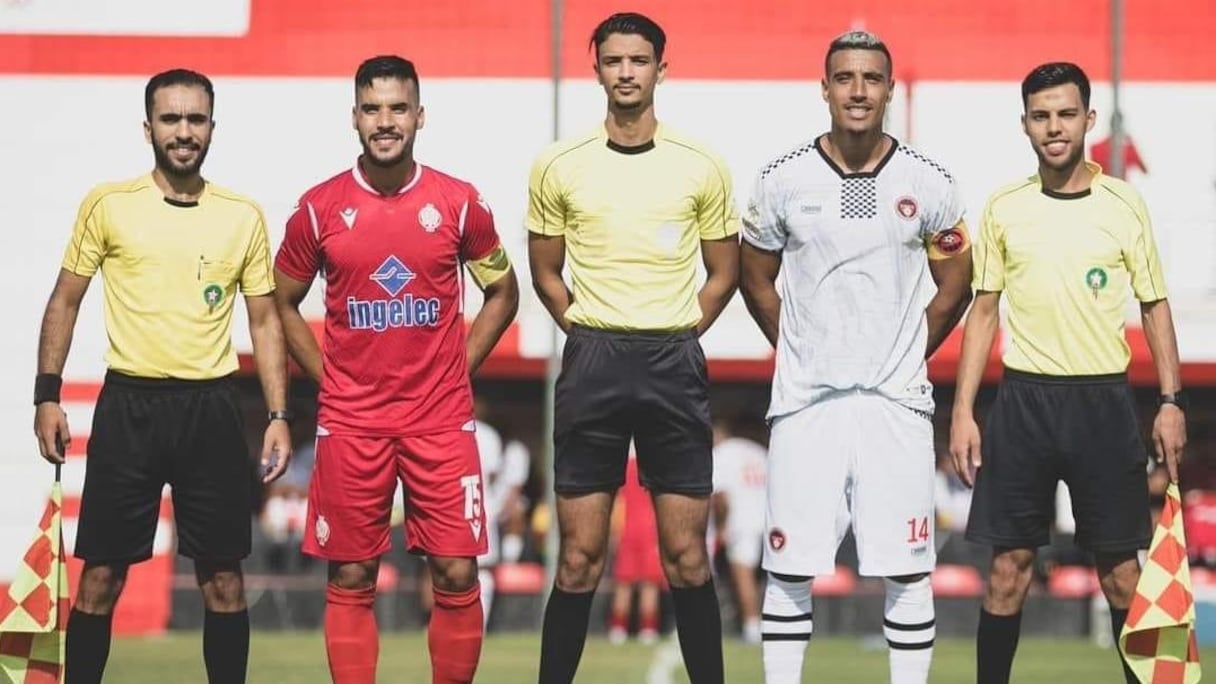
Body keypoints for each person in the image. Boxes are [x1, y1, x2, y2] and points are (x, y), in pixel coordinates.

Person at [32, 68, 292, 684]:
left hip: (213, 409)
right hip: (131, 406)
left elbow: (264, 320)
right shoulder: (108, 204)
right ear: (148, 128)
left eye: (195, 119)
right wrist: (46, 395)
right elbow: (65, 298)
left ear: (212, 128)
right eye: (171, 119)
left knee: (224, 579)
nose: (183, 132)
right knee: (100, 577)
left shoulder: (242, 215)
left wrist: (278, 415)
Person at [273, 55, 519, 684]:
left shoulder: (459, 204)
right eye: (372, 109)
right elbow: (281, 302)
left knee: (457, 572)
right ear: (354, 117)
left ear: (420, 116)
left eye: (398, 108)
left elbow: (503, 292)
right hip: (352, 421)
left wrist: (458, 367)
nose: (385, 121)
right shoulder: (318, 209)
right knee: (352, 574)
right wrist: (327, 378)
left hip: (440, 418)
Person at [739, 30, 974, 684]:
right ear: (825, 89)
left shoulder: (929, 181)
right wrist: (798, 346)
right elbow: (754, 277)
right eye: (845, 78)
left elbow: (957, 282)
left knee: (908, 569)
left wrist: (907, 351)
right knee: (789, 566)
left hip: (895, 405)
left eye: (871, 78)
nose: (859, 90)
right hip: (805, 403)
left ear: (889, 89)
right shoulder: (781, 179)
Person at [949, 62, 1186, 684]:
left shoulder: (1124, 205)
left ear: (1088, 119)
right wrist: (963, 410)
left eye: (1065, 114)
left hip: (1103, 404)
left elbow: (1155, 305)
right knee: (1008, 571)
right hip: (1023, 403)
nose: (1053, 127)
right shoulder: (1004, 206)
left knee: (1123, 574)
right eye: (1041, 116)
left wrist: (1171, 402)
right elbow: (983, 311)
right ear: (1025, 125)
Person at [527, 11, 739, 684]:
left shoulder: (701, 164)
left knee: (687, 558)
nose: (626, 72)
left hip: (672, 363)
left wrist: (679, 330)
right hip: (593, 362)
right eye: (614, 60)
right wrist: (588, 331)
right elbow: (545, 272)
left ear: (660, 69)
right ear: (596, 69)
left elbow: (724, 272)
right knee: (579, 559)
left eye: (639, 61)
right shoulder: (558, 164)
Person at [710, 416, 768, 644]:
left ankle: (752, 627)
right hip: (767, 520)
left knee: (743, 576)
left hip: (741, 521)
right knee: (765, 579)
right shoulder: (758, 451)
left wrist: (721, 527)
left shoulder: (721, 454)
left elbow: (721, 497)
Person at [608, 452, 665, 645]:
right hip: (650, 528)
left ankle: (618, 628)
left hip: (626, 527)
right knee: (650, 583)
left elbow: (616, 500)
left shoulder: (621, 465)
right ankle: (648, 629)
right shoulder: (656, 462)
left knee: (624, 582)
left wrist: (614, 533)